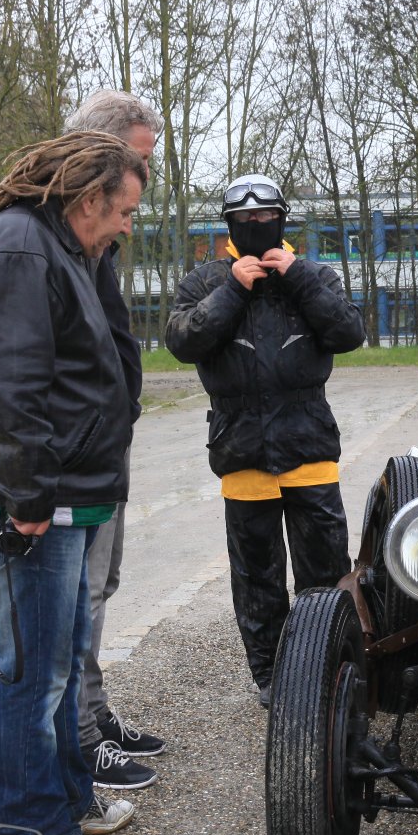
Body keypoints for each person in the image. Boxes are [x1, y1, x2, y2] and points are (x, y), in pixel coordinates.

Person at [0, 131, 147, 835]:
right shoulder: (22, 247)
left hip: (63, 490)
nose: (127, 226)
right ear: (89, 198)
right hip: (33, 498)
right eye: (123, 211)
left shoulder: (59, 244)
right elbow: (11, 382)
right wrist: (27, 493)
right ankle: (31, 832)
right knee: (35, 668)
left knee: (60, 653)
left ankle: (66, 799)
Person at [165, 174, 365, 706]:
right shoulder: (205, 281)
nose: (257, 225)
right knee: (257, 580)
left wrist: (297, 277)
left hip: (309, 448)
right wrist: (234, 287)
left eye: (266, 217)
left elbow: (349, 333)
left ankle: (330, 670)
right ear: (229, 225)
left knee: (325, 573)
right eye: (245, 220)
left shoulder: (315, 274)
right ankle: (272, 678)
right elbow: (183, 342)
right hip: (242, 451)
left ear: (282, 220)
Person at [61, 89, 166, 790]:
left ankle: (93, 713)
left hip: (106, 436)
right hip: (79, 446)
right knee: (82, 593)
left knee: (103, 582)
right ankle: (79, 734)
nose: (144, 175)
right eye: (137, 157)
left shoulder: (99, 237)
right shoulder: (59, 234)